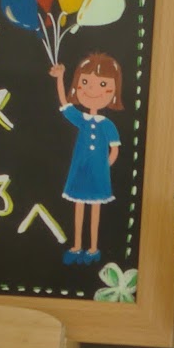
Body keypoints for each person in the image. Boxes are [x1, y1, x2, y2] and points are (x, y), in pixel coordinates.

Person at [48, 53, 123, 265]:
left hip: (98, 174)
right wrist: (60, 78)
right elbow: (65, 104)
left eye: (102, 84)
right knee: (79, 207)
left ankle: (93, 248)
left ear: (113, 91)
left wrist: (105, 166)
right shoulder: (81, 119)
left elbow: (114, 150)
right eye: (85, 82)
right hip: (80, 171)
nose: (92, 89)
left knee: (95, 209)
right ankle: (77, 245)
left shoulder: (107, 125)